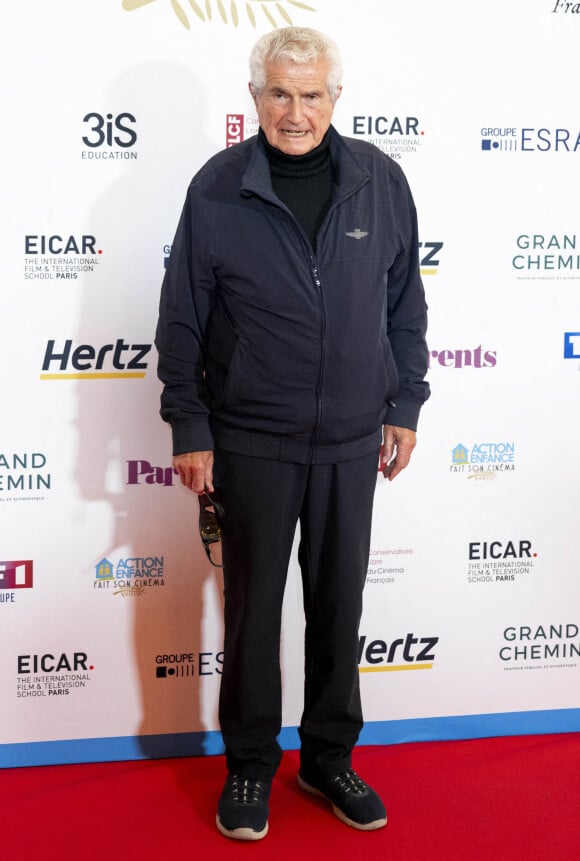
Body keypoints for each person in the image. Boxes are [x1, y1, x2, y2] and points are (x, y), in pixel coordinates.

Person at [155, 26, 430, 841]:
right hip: (252, 440)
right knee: (252, 614)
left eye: (312, 95)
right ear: (255, 99)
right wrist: (189, 425)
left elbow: (405, 306)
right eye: (280, 93)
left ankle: (327, 757)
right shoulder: (216, 190)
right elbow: (182, 321)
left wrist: (404, 405)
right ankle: (248, 765)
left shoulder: (381, 183)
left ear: (336, 99)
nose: (296, 111)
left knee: (338, 610)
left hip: (351, 440)